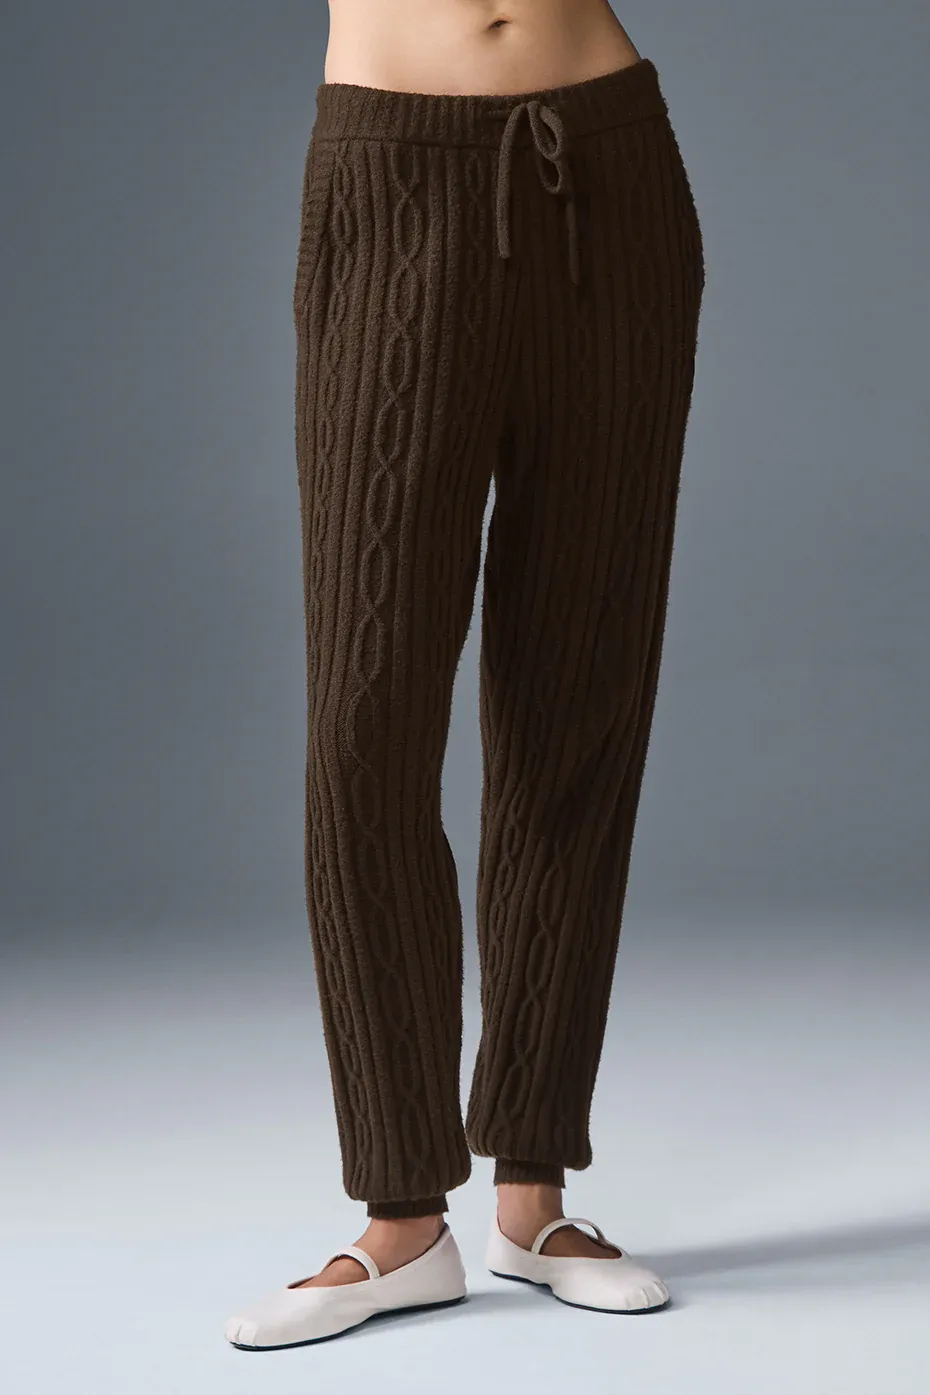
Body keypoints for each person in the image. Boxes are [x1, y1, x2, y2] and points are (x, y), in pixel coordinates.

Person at [226, 0, 705, 1349]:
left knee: (579, 703)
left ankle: (533, 1201)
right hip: (390, 172)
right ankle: (400, 1220)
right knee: (363, 728)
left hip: (608, 170)